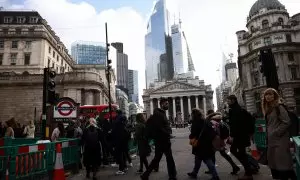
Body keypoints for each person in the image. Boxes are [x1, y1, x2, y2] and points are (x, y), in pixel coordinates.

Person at [262, 88, 297, 180]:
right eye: (266, 95)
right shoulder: (268, 109)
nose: (268, 97)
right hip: (271, 140)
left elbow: (287, 121)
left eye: (271, 94)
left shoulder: (279, 107)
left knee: (282, 163)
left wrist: (276, 132)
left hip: (280, 139)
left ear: (275, 96)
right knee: (275, 163)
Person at [141, 97, 177, 180]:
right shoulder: (158, 114)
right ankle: (172, 176)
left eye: (168, 103)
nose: (168, 105)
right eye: (166, 103)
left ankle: (145, 175)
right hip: (162, 140)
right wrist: (167, 133)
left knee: (157, 159)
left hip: (161, 140)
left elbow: (162, 126)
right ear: (162, 104)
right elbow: (159, 127)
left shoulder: (161, 113)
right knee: (169, 158)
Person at [226, 95, 254, 180]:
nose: (227, 102)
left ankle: (249, 173)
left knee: (240, 153)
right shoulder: (236, 109)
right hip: (241, 135)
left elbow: (235, 124)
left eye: (229, 100)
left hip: (239, 136)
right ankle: (249, 168)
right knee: (240, 153)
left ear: (233, 100)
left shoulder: (235, 110)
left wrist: (232, 136)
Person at [187, 108, 220, 180]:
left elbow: (193, 134)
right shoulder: (205, 121)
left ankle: (215, 176)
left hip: (200, 144)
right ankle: (194, 173)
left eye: (192, 114)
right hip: (206, 143)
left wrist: (190, 136)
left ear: (193, 114)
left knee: (207, 159)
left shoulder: (195, 122)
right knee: (198, 158)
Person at [205, 110, 240, 175]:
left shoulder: (212, 121)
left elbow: (214, 131)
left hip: (216, 140)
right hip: (221, 140)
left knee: (212, 155)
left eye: (207, 114)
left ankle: (212, 169)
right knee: (223, 154)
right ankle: (234, 166)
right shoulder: (219, 120)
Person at [111, 110, 130, 175]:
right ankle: (124, 167)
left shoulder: (117, 121)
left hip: (118, 139)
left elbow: (114, 131)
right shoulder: (124, 120)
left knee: (119, 154)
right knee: (123, 153)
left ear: (117, 113)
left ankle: (121, 169)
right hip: (124, 139)